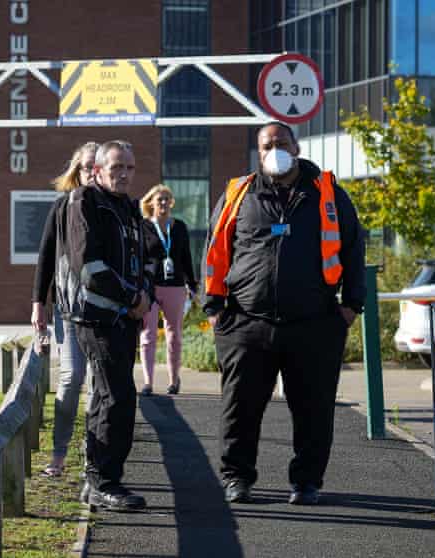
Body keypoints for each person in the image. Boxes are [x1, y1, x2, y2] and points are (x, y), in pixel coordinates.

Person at [203, 122, 366, 506]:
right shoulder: (237, 195)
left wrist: (350, 306)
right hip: (246, 323)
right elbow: (213, 252)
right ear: (257, 153)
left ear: (295, 146)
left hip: (315, 324)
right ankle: (237, 479)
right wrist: (214, 310)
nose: (274, 149)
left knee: (314, 410)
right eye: (266, 145)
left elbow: (354, 251)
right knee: (239, 408)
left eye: (280, 143)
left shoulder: (327, 195)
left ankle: (307, 482)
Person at [58, 140, 152, 512]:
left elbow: (143, 259)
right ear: (97, 170)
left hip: (124, 317)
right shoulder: (84, 202)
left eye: (129, 167)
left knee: (108, 396)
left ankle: (97, 477)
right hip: (97, 318)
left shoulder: (128, 207)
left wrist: (143, 293)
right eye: (116, 168)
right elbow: (89, 268)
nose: (124, 174)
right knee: (117, 397)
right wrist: (132, 299)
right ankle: (104, 483)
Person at [31, 141, 97, 479]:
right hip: (68, 309)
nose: (91, 172)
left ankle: (95, 455)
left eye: (96, 166)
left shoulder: (115, 208)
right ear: (77, 170)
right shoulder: (61, 207)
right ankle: (58, 453)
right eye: (86, 166)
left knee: (101, 386)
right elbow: (45, 256)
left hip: (106, 314)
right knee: (72, 379)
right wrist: (38, 305)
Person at [138, 184, 198, 396]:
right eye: (159, 199)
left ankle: (174, 381)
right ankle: (147, 382)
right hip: (151, 287)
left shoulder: (179, 227)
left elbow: (186, 258)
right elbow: (140, 258)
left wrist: (192, 284)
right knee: (148, 335)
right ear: (151, 202)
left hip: (175, 287)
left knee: (174, 336)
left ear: (171, 203)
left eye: (166, 199)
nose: (163, 203)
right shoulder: (143, 226)